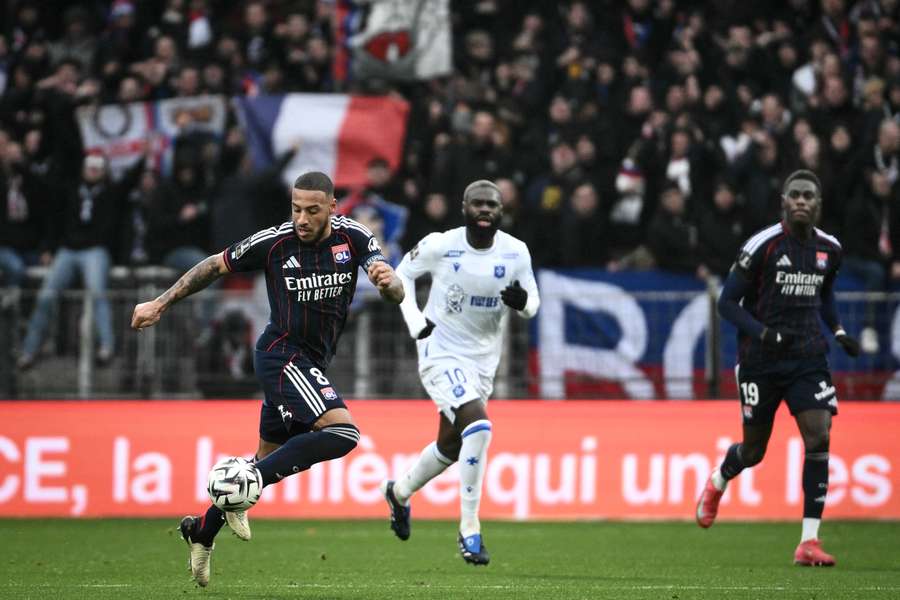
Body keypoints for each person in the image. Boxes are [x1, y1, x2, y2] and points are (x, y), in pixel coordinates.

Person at [130, 172, 403, 587]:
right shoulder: (275, 242)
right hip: (280, 355)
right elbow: (213, 266)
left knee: (264, 458)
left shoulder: (354, 237)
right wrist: (161, 302)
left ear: (332, 207)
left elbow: (387, 278)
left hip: (312, 362)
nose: (302, 218)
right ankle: (246, 482)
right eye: (296, 209)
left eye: (312, 210)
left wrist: (392, 283)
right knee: (343, 434)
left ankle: (201, 529)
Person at [695, 170, 860, 567]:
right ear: (784, 202)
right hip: (760, 362)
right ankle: (719, 479)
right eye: (795, 195)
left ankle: (808, 542)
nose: (802, 201)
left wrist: (837, 331)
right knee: (754, 450)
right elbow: (727, 303)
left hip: (808, 357)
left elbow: (825, 295)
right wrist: (764, 334)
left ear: (818, 205)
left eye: (809, 196)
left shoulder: (830, 249)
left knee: (819, 436)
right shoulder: (762, 245)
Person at [379, 179, 540, 565]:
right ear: (464, 207)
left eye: (492, 205)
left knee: (452, 446)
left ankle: (398, 492)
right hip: (440, 351)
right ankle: (470, 529)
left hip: (484, 361)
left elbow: (533, 301)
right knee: (480, 428)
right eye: (478, 204)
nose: (485, 210)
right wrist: (416, 320)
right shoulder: (441, 244)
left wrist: (523, 303)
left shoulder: (516, 252)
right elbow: (401, 276)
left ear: (501, 212)